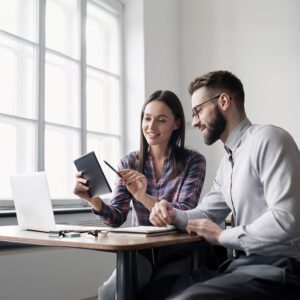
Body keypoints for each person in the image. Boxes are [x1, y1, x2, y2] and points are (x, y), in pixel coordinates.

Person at [147, 71, 300, 300]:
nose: (196, 122)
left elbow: (286, 220)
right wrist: (172, 214)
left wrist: (221, 237)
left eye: (198, 111)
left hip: (277, 270)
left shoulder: (269, 139)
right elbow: (206, 211)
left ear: (224, 101)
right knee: (151, 290)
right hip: (238, 267)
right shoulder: (228, 162)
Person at [73, 90, 206, 300]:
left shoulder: (193, 161)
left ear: (177, 124)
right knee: (110, 293)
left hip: (177, 253)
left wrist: (143, 196)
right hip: (141, 253)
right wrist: (93, 200)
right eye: (147, 118)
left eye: (161, 120)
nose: (151, 127)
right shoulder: (129, 162)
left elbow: (184, 211)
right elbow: (116, 218)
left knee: (157, 294)